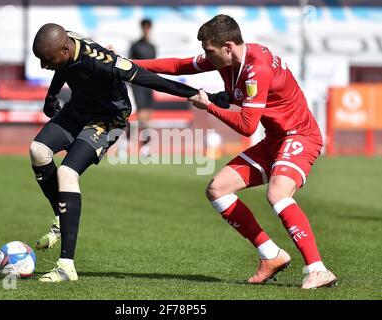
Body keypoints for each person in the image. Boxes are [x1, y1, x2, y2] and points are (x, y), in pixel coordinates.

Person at [133, 14, 337, 289]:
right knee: (217, 189)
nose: (206, 56)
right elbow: (180, 65)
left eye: (210, 51)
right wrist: (128, 65)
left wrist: (209, 107)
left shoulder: (257, 68)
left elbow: (246, 125)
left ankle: (318, 269)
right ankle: (271, 255)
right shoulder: (228, 59)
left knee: (277, 193)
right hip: (276, 139)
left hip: (300, 135)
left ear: (228, 46)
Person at [30, 23, 229, 282]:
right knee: (38, 151)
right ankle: (60, 217)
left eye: (47, 60)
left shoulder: (102, 62)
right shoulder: (66, 45)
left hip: (108, 118)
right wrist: (52, 95)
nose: (45, 66)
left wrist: (204, 96)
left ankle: (66, 266)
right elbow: (62, 65)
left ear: (65, 48)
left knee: (67, 172)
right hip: (78, 108)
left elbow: (153, 81)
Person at [128, 19, 157, 157]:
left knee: (148, 117)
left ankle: (145, 147)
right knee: (140, 117)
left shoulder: (152, 47)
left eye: (148, 27)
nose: (146, 29)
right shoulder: (135, 46)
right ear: (142, 28)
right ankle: (129, 144)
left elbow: (155, 66)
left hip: (149, 85)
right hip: (138, 84)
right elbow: (129, 64)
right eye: (144, 27)